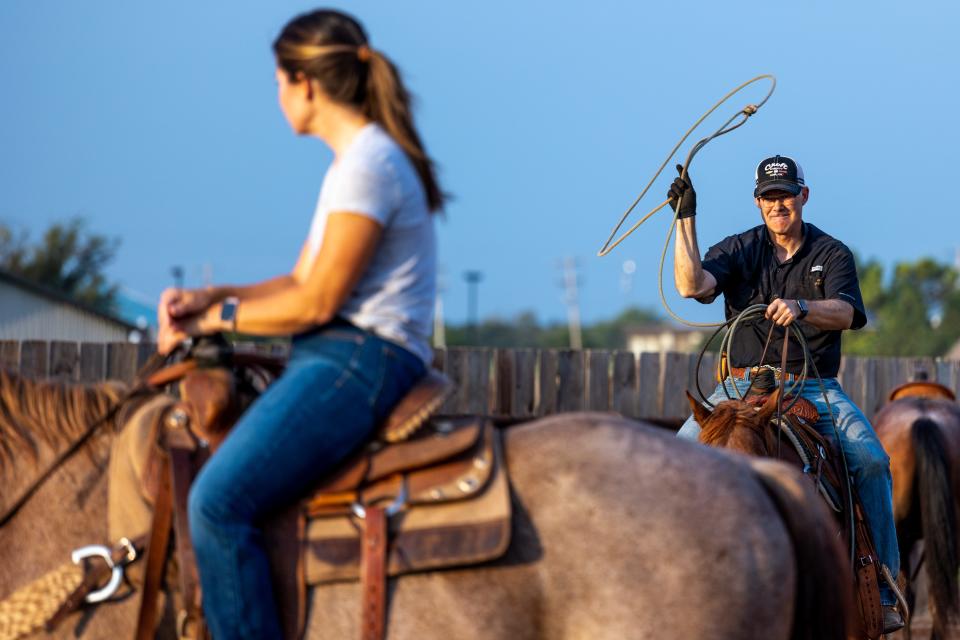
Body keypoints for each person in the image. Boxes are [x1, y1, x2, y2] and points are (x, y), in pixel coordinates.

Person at [155, 9, 442, 638]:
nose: (277, 95)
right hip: (344, 354)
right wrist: (213, 298)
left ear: (305, 83)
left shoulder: (368, 165)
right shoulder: (357, 162)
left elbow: (316, 302)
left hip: (360, 359)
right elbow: (298, 281)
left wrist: (216, 325)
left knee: (216, 505)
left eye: (279, 80)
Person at [670, 155, 903, 633]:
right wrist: (684, 219)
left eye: (787, 195)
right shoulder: (739, 249)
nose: (780, 205)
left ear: (804, 196)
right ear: (759, 203)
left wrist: (802, 307)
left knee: (873, 460)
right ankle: (667, 577)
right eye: (770, 197)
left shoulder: (833, 253)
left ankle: (883, 587)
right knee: (675, 456)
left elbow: (846, 314)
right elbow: (691, 285)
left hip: (812, 385)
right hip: (738, 384)